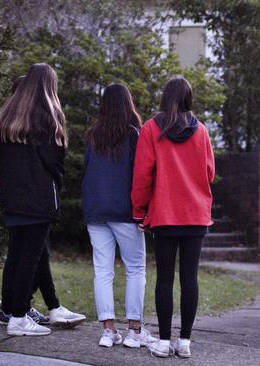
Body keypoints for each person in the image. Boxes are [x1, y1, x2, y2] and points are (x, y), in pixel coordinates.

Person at [0, 63, 86, 336]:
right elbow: (55, 163)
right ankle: (19, 317)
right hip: (39, 199)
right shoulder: (48, 120)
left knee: (18, 256)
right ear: (49, 86)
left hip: (13, 197)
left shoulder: (8, 119)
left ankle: (12, 311)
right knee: (29, 259)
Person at [131, 76, 215, 358]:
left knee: (164, 278)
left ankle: (165, 342)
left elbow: (142, 174)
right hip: (196, 213)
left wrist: (139, 210)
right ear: (189, 98)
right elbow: (210, 172)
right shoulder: (201, 131)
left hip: (165, 214)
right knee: (190, 278)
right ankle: (186, 342)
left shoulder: (151, 129)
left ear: (165, 98)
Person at [82, 84, 157, 348]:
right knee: (135, 268)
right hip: (125, 211)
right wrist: (143, 209)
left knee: (102, 270)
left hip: (95, 210)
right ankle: (134, 331)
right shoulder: (133, 135)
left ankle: (108, 331)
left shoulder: (92, 136)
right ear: (128, 104)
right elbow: (141, 176)